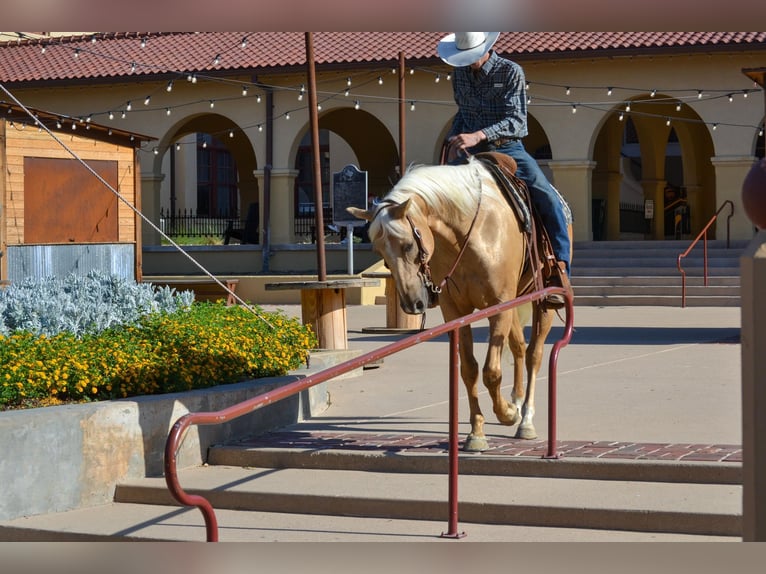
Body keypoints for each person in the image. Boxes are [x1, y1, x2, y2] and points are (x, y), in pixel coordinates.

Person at [437, 32, 572, 308]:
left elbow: (517, 120)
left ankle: (558, 271)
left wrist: (478, 135)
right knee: (438, 195)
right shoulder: (460, 75)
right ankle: (437, 273)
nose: (468, 62)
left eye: (471, 56)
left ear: (486, 48)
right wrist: (454, 137)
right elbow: (463, 111)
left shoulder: (511, 72)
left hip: (508, 148)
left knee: (544, 193)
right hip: (469, 151)